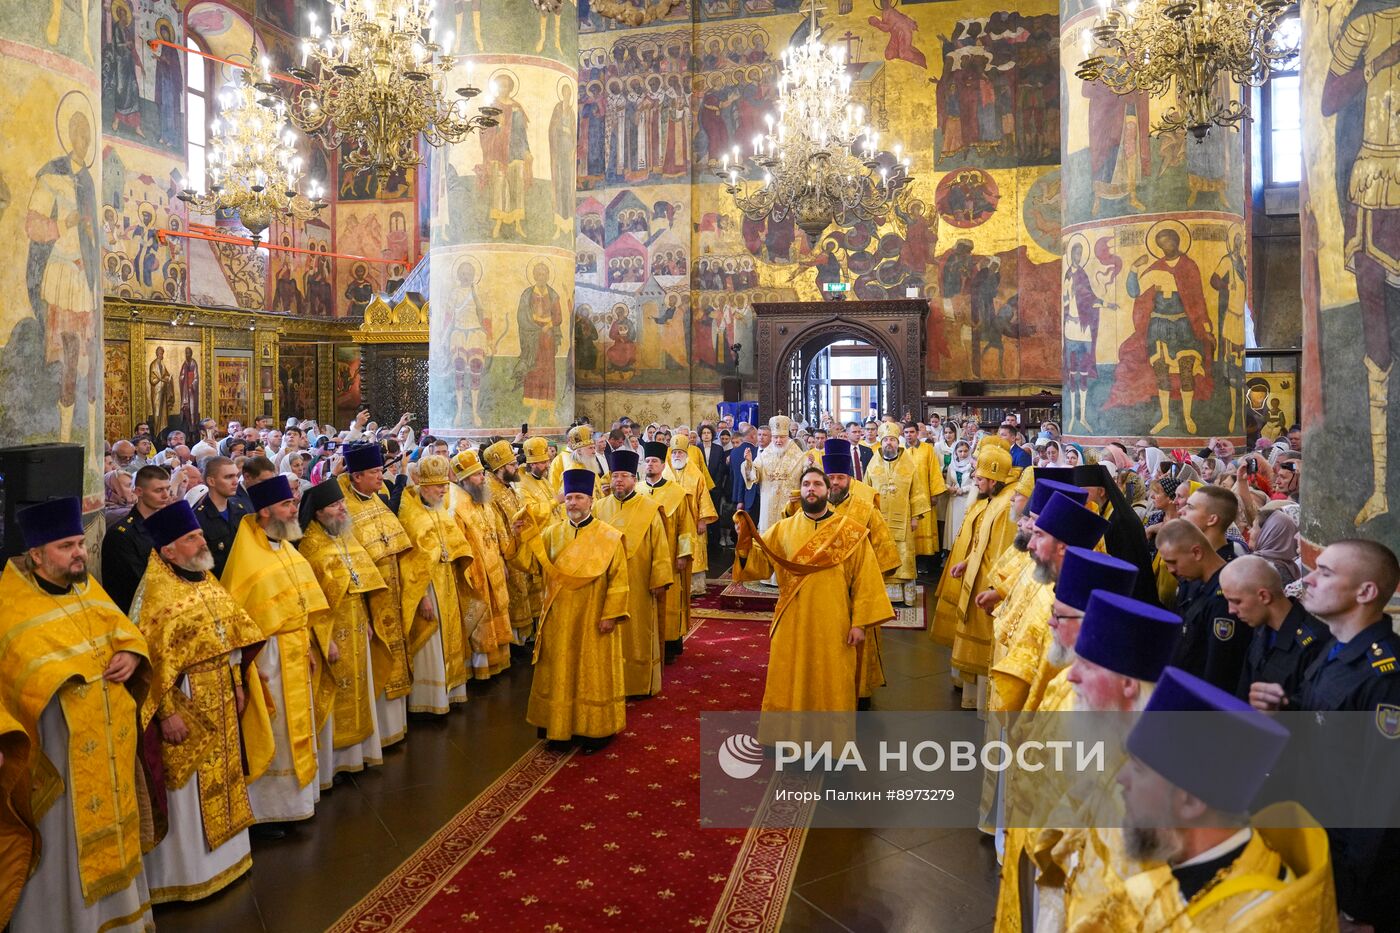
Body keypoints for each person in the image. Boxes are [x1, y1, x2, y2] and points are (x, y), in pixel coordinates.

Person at [1065, 667, 1335, 930]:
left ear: (1190, 803)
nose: (1122, 779)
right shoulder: (1183, 869)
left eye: (1138, 769)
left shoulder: (1261, 919)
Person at [1, 498, 154, 933]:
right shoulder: (9, 604)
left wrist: (130, 653)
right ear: (36, 554)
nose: (79, 553)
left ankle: (121, 921)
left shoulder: (87, 587)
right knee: (64, 842)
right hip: (54, 751)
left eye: (81, 544)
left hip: (108, 744)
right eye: (66, 546)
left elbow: (125, 631)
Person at [997, 585, 1181, 933]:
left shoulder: (1152, 777)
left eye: (1087, 665)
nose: (1072, 675)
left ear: (1128, 685)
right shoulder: (1086, 706)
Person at [132, 501, 270, 905]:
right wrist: (168, 714)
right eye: (191, 538)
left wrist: (237, 682)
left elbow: (230, 635)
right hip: (185, 702)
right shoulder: (155, 597)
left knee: (224, 774)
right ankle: (188, 875)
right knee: (187, 788)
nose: (201, 541)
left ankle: (230, 859)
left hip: (222, 694)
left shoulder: (205, 579)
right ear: (168, 551)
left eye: (198, 535)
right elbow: (151, 666)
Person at [1281, 539, 1400, 930]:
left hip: (1352, 880)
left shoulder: (1388, 677)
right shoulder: (1335, 648)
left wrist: (1356, 905)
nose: (1309, 580)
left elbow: (1381, 801)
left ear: (1366, 591)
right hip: (1317, 846)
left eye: (1326, 573)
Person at [733, 466, 894, 743]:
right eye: (806, 484)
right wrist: (745, 540)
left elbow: (866, 579)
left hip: (834, 620)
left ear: (827, 490)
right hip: (792, 618)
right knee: (788, 679)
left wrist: (860, 624)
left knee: (830, 682)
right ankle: (784, 738)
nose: (811, 489)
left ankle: (831, 744)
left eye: (817, 484)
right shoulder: (783, 528)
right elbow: (759, 564)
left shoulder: (850, 532)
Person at [220, 475, 330, 828]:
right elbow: (238, 623)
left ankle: (301, 799)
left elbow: (302, 603)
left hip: (296, 649)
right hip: (268, 659)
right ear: (265, 511)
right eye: (286, 505)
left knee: (298, 723)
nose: (293, 509)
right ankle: (272, 809)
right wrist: (247, 669)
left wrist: (309, 642)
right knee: (277, 728)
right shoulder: (247, 559)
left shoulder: (286, 546)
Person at [513, 469, 630, 753]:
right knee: (560, 670)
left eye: (579, 498)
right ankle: (559, 728)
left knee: (591, 672)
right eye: (569, 498)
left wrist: (610, 614)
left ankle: (595, 732)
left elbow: (619, 579)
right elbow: (531, 565)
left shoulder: (609, 536)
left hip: (593, 615)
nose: (573, 503)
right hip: (559, 616)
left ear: (591, 500)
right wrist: (520, 538)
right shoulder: (552, 533)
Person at [297, 479, 390, 785]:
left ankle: (358, 755)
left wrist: (369, 619)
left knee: (359, 689)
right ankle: (334, 765)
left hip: (357, 622)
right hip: (331, 632)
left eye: (342, 504)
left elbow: (364, 582)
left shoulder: (345, 535)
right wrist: (323, 639)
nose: (342, 509)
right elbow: (311, 601)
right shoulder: (309, 546)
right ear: (318, 512)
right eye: (335, 506)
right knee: (336, 691)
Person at [334, 443, 415, 745]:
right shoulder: (345, 509)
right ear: (356, 476)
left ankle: (395, 726)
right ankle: (377, 732)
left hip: (392, 590)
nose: (382, 476)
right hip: (370, 600)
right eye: (375, 472)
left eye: (381, 470)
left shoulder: (377, 500)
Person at [813, 440, 900, 708]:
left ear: (850, 479)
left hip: (855, 591)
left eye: (840, 477)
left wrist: (867, 587)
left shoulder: (865, 510)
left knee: (856, 646)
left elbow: (885, 552)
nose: (836, 482)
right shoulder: (813, 509)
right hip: (821, 591)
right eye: (831, 478)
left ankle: (859, 693)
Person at [934, 441, 1018, 709]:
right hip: (975, 574)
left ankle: (981, 699)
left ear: (993, 479)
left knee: (982, 638)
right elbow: (983, 540)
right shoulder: (994, 498)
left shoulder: (1005, 507)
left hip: (987, 583)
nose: (975, 481)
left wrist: (996, 590)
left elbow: (1003, 552)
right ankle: (969, 689)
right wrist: (967, 562)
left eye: (980, 478)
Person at [398, 455, 474, 715]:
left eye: (445, 484)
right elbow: (409, 563)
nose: (444, 489)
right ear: (423, 486)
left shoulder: (438, 508)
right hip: (427, 588)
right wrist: (422, 598)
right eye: (438, 485)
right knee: (431, 640)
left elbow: (453, 542)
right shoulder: (410, 515)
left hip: (446, 581)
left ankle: (451, 691)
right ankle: (429, 699)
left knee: (449, 635)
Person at [595, 448, 672, 698]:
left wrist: (659, 579)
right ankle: (608, 681)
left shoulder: (649, 509)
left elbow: (661, 547)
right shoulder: (598, 508)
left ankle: (638, 684)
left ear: (634, 478)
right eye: (615, 475)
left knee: (639, 632)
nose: (619, 480)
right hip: (604, 584)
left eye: (625, 476)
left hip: (639, 582)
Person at [1155, 519, 1251, 692]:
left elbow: (1218, 672)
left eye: (1173, 562)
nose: (1170, 570)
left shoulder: (1225, 599)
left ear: (1197, 552)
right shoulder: (1193, 582)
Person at [1219, 555, 1327, 708]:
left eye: (1237, 601)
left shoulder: (1313, 644)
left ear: (1264, 596)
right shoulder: (1261, 628)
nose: (1231, 610)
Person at [447, 449, 515, 679]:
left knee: (497, 612)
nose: (482, 478)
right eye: (476, 475)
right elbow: (458, 548)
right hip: (476, 571)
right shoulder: (457, 507)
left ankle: (498, 661)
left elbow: (495, 532)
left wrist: (503, 561)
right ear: (464, 479)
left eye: (481, 473)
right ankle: (480, 669)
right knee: (481, 619)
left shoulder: (481, 498)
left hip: (494, 566)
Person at [638, 440, 696, 664]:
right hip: (643, 558)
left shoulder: (677, 493)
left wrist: (683, 554)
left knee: (669, 601)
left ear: (663, 466)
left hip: (670, 558)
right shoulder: (638, 491)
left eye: (655, 461)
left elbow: (686, 527)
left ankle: (670, 645)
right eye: (648, 461)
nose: (650, 465)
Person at [863, 421, 932, 606]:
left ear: (897, 442)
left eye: (892, 440)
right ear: (881, 442)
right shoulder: (873, 464)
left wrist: (916, 517)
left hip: (904, 521)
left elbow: (917, 491)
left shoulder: (908, 464)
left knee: (904, 555)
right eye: (886, 440)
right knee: (880, 555)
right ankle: (881, 597)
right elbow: (866, 492)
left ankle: (904, 597)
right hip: (879, 521)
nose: (889, 444)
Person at [740, 415, 808, 580]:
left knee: (788, 540)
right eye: (776, 437)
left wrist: (811, 464)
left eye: (782, 437)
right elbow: (753, 475)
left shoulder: (799, 456)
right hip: (768, 505)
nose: (778, 441)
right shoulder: (764, 455)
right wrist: (749, 463)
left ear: (787, 437)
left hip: (790, 507)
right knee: (769, 539)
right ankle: (769, 577)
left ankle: (789, 576)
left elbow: (808, 476)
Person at [483, 441, 535, 649]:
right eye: (512, 465)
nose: (516, 468)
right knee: (512, 596)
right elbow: (494, 527)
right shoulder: (489, 490)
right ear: (500, 468)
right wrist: (505, 556)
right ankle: (513, 642)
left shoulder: (505, 485)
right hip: (506, 552)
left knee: (522, 592)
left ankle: (521, 638)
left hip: (519, 548)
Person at [102, 464, 173, 612]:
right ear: (139, 491)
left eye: (168, 488)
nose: (166, 495)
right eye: (159, 490)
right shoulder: (121, 534)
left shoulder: (168, 525)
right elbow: (139, 583)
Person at [667, 434, 717, 595]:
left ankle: (695, 586)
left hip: (693, 521)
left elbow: (704, 498)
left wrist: (703, 520)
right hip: (671, 522)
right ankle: (674, 584)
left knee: (694, 551)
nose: (677, 456)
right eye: (674, 453)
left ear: (686, 455)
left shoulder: (696, 475)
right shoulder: (665, 474)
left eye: (680, 453)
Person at [193, 456, 252, 578]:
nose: (236, 481)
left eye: (236, 475)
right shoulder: (198, 518)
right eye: (228, 477)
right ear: (211, 481)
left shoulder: (240, 510)